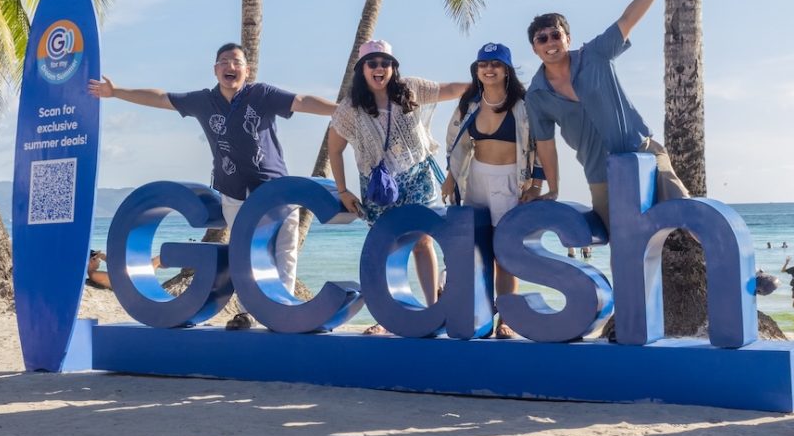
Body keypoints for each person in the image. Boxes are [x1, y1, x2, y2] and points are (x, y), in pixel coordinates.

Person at [88, 43, 336, 330]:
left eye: (237, 62)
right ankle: (247, 313)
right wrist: (116, 92)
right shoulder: (204, 101)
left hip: (275, 189)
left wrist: (340, 110)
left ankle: (281, 310)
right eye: (224, 61)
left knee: (284, 251)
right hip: (235, 192)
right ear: (215, 70)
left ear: (247, 70)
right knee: (246, 254)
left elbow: (302, 101)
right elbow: (161, 98)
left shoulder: (262, 94)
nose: (231, 66)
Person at [522, 0, 693, 232]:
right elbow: (546, 146)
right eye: (542, 39)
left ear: (567, 39)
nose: (550, 42)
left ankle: (728, 260)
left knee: (690, 216)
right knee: (620, 240)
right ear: (535, 48)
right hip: (600, 173)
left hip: (643, 154)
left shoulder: (596, 54)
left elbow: (628, 19)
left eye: (556, 35)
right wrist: (554, 188)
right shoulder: (537, 96)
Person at [328, 40, 464, 333]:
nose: (379, 69)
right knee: (386, 246)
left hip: (417, 176)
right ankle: (385, 317)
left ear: (393, 67)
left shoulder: (410, 90)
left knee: (423, 242)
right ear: (362, 69)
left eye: (385, 63)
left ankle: (432, 309)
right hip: (378, 186)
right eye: (372, 63)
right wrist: (342, 190)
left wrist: (484, 84)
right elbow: (334, 149)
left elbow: (450, 89)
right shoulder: (350, 108)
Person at [440, 43, 538, 339]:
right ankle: (478, 314)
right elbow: (456, 142)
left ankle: (506, 318)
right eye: (483, 64)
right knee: (477, 252)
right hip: (476, 180)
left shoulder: (523, 105)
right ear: (476, 70)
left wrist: (536, 186)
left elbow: (539, 145)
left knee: (504, 253)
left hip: (510, 181)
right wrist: (450, 177)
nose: (489, 69)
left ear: (506, 70)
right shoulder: (469, 103)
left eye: (495, 63)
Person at [87, 250, 160, 290]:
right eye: (97, 259)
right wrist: (106, 258)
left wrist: (105, 258)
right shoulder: (94, 275)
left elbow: (118, 273)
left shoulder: (94, 274)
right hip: (137, 286)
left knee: (153, 261)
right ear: (92, 260)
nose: (99, 261)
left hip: (134, 284)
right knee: (157, 260)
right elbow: (120, 278)